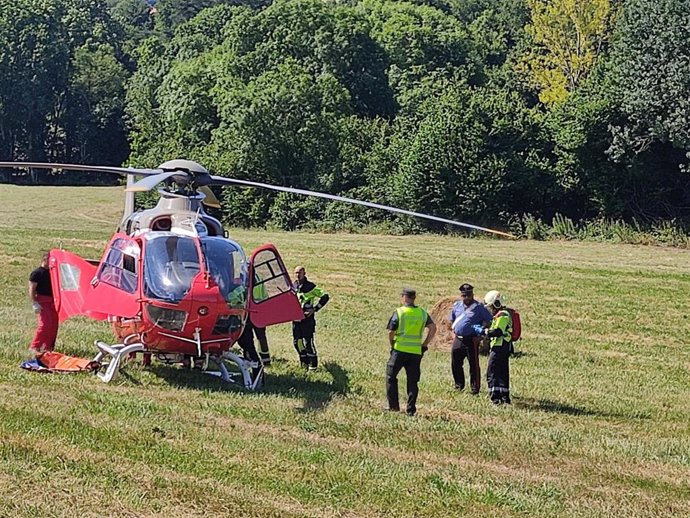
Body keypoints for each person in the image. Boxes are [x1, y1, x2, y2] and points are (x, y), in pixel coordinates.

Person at [386, 288, 437, 417]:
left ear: (404, 297)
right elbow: (433, 328)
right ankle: (411, 410)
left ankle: (393, 407)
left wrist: (392, 343)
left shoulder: (399, 312)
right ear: (414, 298)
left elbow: (391, 331)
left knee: (391, 377)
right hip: (415, 352)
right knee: (412, 382)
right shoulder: (422, 313)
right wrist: (425, 343)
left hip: (399, 350)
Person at [449, 283, 492, 394]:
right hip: (458, 338)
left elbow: (489, 320)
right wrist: (454, 333)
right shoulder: (456, 306)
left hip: (472, 339)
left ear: (472, 294)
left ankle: (475, 388)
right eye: (464, 295)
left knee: (473, 365)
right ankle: (459, 385)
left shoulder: (479, 307)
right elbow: (452, 320)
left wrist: (481, 335)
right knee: (455, 363)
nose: (467, 298)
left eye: (469, 295)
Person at [474, 290, 513, 405]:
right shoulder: (501, 315)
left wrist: (483, 331)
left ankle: (495, 398)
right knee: (502, 372)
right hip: (503, 347)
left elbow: (498, 331)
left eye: (490, 306)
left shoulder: (502, 316)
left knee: (492, 372)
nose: (489, 309)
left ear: (496, 304)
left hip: (499, 347)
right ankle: (505, 397)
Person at [292, 265, 329, 370]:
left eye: (300, 272)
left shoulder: (310, 286)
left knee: (308, 342)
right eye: (296, 273)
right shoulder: (293, 285)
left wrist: (315, 309)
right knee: (297, 342)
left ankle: (313, 365)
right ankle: (304, 363)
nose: (298, 275)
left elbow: (325, 296)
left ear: (304, 273)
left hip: (307, 320)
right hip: (296, 319)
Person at [28, 253, 59, 355]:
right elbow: (32, 289)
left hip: (52, 301)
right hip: (42, 300)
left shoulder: (52, 273)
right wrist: (34, 302)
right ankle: (35, 346)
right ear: (45, 260)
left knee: (53, 325)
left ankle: (47, 347)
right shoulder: (37, 273)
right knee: (45, 324)